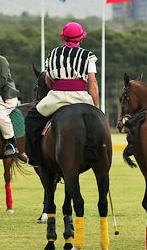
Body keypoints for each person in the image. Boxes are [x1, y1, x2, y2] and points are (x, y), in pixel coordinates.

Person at [24, 22, 99, 167]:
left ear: (64, 38)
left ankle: (34, 158)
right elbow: (92, 83)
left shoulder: (53, 53)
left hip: (57, 96)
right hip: (81, 98)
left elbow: (47, 79)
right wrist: (96, 106)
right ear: (81, 38)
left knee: (31, 118)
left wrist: (57, 88)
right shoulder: (88, 56)